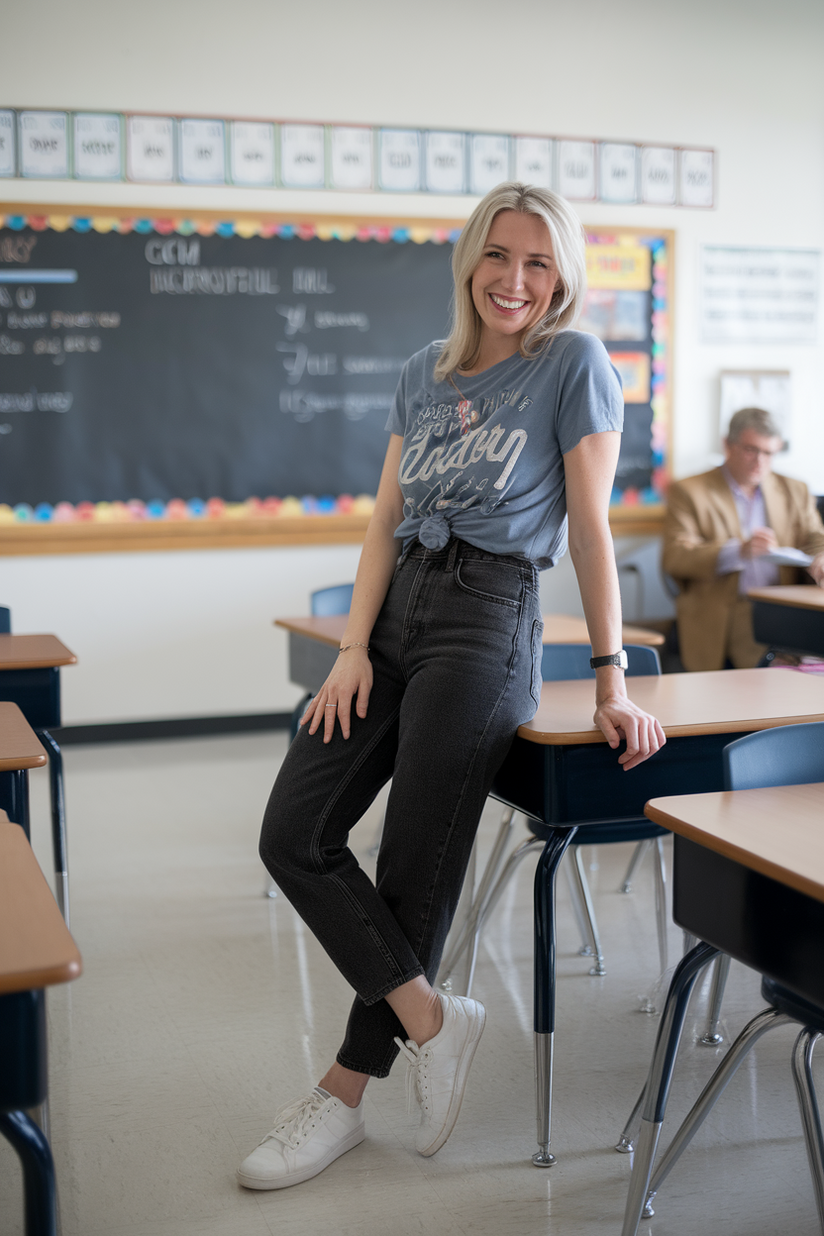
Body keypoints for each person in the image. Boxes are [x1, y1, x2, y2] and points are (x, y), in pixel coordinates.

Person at [238, 181, 666, 1192]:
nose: (514, 280)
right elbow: (383, 518)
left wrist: (609, 676)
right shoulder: (420, 373)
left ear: (559, 277)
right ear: (468, 259)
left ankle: (340, 1095)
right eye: (499, 256)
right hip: (393, 617)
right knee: (291, 835)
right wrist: (351, 644)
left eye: (538, 263)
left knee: (411, 865)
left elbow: (592, 528)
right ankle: (437, 1021)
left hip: (489, 613)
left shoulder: (571, 363)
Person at [663, 406, 824, 671]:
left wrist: (820, 556)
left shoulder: (795, 490)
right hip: (719, 612)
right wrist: (738, 551)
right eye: (751, 450)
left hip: (781, 609)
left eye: (769, 453)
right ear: (728, 445)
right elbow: (675, 556)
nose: (759, 461)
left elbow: (815, 537)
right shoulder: (689, 491)